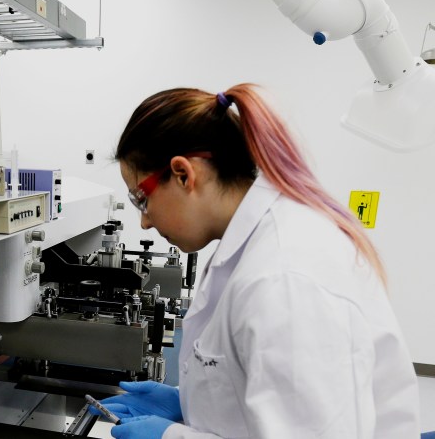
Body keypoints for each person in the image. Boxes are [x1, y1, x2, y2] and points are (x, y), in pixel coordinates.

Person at [92, 84, 420, 438]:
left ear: (184, 174)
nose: (144, 221)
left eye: (142, 199)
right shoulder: (249, 242)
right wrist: (192, 403)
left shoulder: (285, 275)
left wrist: (172, 436)